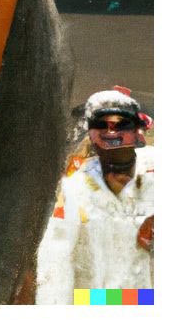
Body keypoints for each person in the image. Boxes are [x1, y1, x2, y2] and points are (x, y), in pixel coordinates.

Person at [37, 88, 154, 302]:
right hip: (92, 305)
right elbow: (55, 258)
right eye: (101, 124)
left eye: (121, 123)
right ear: (90, 134)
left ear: (138, 130)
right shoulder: (73, 186)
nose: (110, 131)